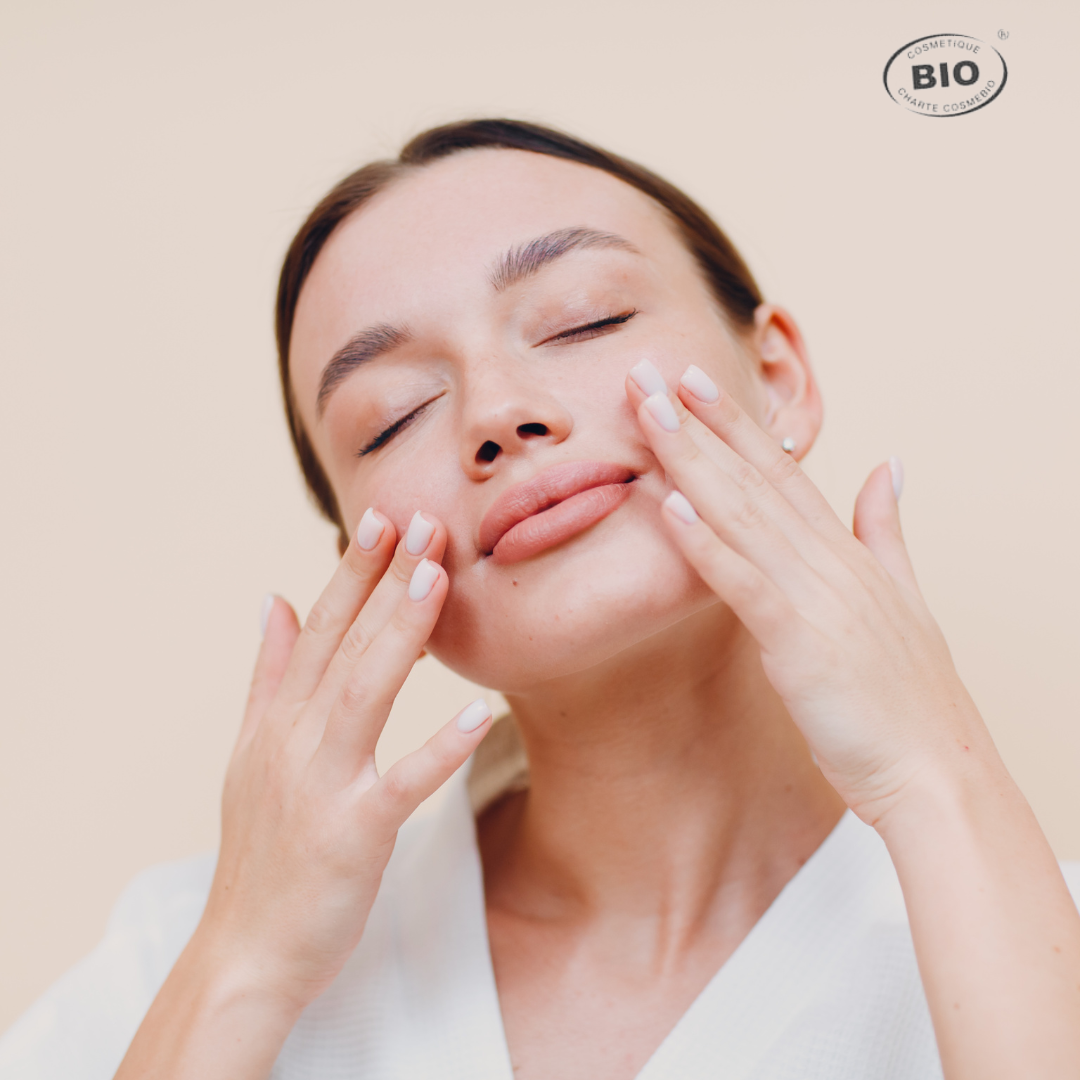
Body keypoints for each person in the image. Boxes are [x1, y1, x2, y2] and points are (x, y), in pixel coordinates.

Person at [2, 119, 1078, 1080]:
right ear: (361, 560)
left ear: (779, 377)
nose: (498, 413)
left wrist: (939, 779)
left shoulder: (1035, 919)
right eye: (392, 416)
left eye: (581, 321)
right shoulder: (178, 959)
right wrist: (242, 967)